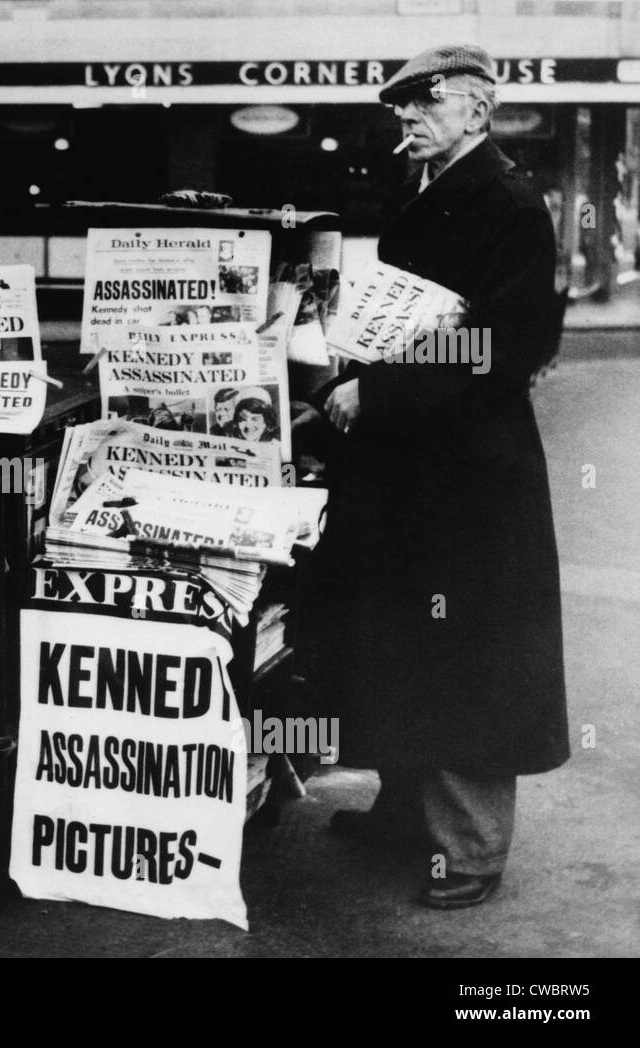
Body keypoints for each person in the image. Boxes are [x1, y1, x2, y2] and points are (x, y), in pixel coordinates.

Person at [304, 44, 569, 910]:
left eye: (426, 105)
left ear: (477, 113)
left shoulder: (507, 200)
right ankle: (403, 814)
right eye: (402, 108)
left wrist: (374, 392)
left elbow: (501, 344)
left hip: (467, 473)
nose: (407, 119)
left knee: (469, 654)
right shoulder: (421, 184)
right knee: (399, 638)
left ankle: (471, 850)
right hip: (414, 464)